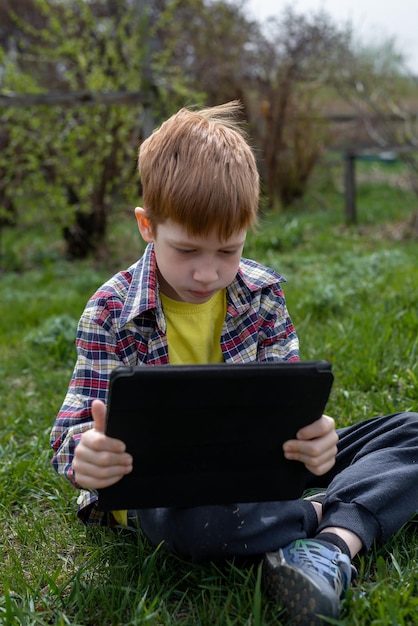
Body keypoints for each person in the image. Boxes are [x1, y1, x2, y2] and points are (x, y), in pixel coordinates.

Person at [50, 101, 418, 625]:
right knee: (200, 519)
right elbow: (68, 433)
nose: (207, 273)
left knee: (411, 432)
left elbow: (291, 415)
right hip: (166, 491)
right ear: (147, 226)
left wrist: (316, 442)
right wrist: (85, 456)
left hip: (262, 470)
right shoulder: (108, 311)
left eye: (228, 251)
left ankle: (331, 547)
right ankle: (327, 518)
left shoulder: (263, 294)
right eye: (187, 250)